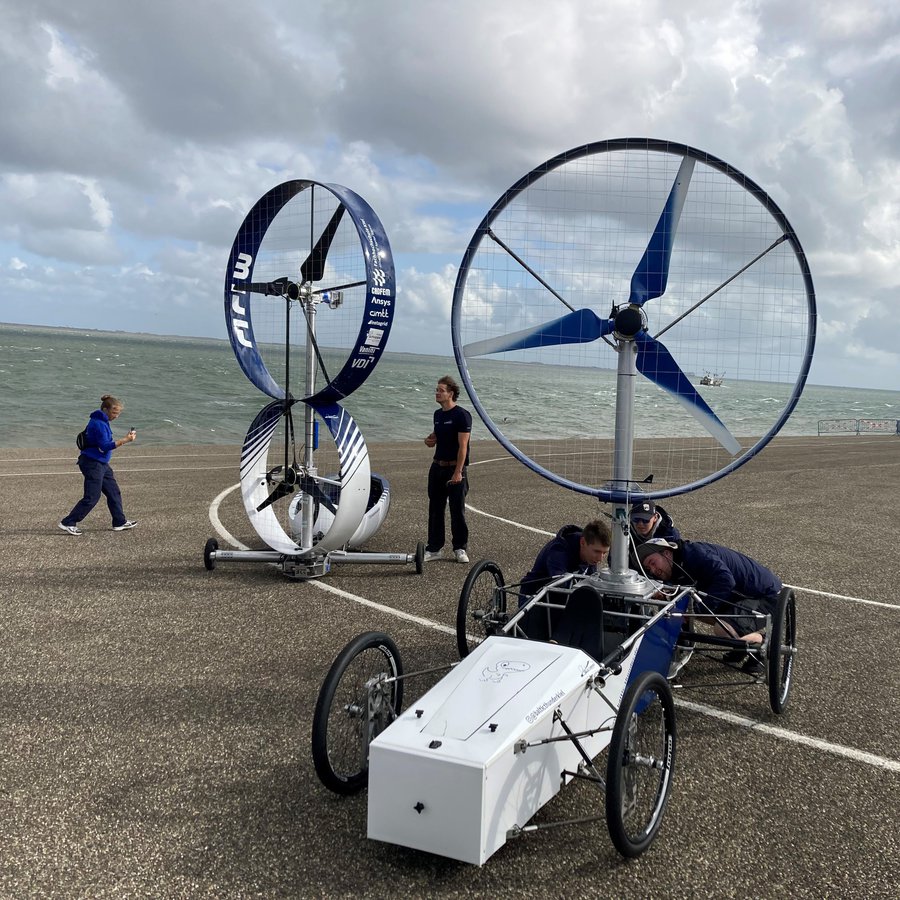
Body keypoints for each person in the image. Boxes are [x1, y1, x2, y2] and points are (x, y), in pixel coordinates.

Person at [635, 537, 782, 673]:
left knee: (722, 630)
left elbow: (726, 580)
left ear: (667, 554)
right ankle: (741, 640)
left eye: (653, 563)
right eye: (649, 569)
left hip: (765, 595)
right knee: (690, 609)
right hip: (737, 597)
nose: (653, 570)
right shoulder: (677, 567)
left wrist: (697, 610)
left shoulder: (695, 555)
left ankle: (761, 641)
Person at [517, 519, 612, 644]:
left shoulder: (590, 556)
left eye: (604, 553)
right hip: (536, 598)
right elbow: (560, 587)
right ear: (583, 542)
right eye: (597, 552)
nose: (600, 558)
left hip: (559, 599)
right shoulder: (559, 552)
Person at [59, 394, 137, 535]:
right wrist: (126, 440)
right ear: (105, 409)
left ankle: (119, 522)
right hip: (92, 464)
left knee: (114, 492)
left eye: (118, 413)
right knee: (92, 497)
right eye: (114, 412)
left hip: (102, 464)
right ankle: (68, 522)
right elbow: (105, 446)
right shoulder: (98, 424)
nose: (116, 416)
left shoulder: (102, 421)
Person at [423, 375, 471, 563]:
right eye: (437, 390)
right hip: (437, 467)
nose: (437, 393)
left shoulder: (462, 415)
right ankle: (434, 548)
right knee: (435, 509)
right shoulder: (438, 414)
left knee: (457, 509)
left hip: (455, 469)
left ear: (450, 394)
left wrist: (458, 471)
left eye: (440, 390)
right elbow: (436, 435)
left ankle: (460, 548)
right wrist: (429, 440)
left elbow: (463, 446)